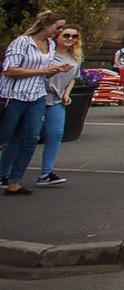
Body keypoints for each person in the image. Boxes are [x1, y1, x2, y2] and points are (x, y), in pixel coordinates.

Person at [1, 11, 72, 196]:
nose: (60, 31)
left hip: (37, 96)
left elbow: (44, 73)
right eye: (58, 27)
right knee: (4, 137)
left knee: (30, 139)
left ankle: (14, 182)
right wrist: (43, 69)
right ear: (45, 25)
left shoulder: (49, 45)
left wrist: (55, 70)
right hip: (14, 96)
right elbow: (9, 70)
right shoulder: (22, 42)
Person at [36, 23, 84, 186]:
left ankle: (46, 173)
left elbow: (73, 78)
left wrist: (66, 94)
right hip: (39, 97)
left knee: (55, 135)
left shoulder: (75, 56)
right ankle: (5, 173)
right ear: (57, 36)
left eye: (74, 36)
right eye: (66, 35)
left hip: (57, 100)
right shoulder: (47, 53)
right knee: (26, 136)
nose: (70, 39)